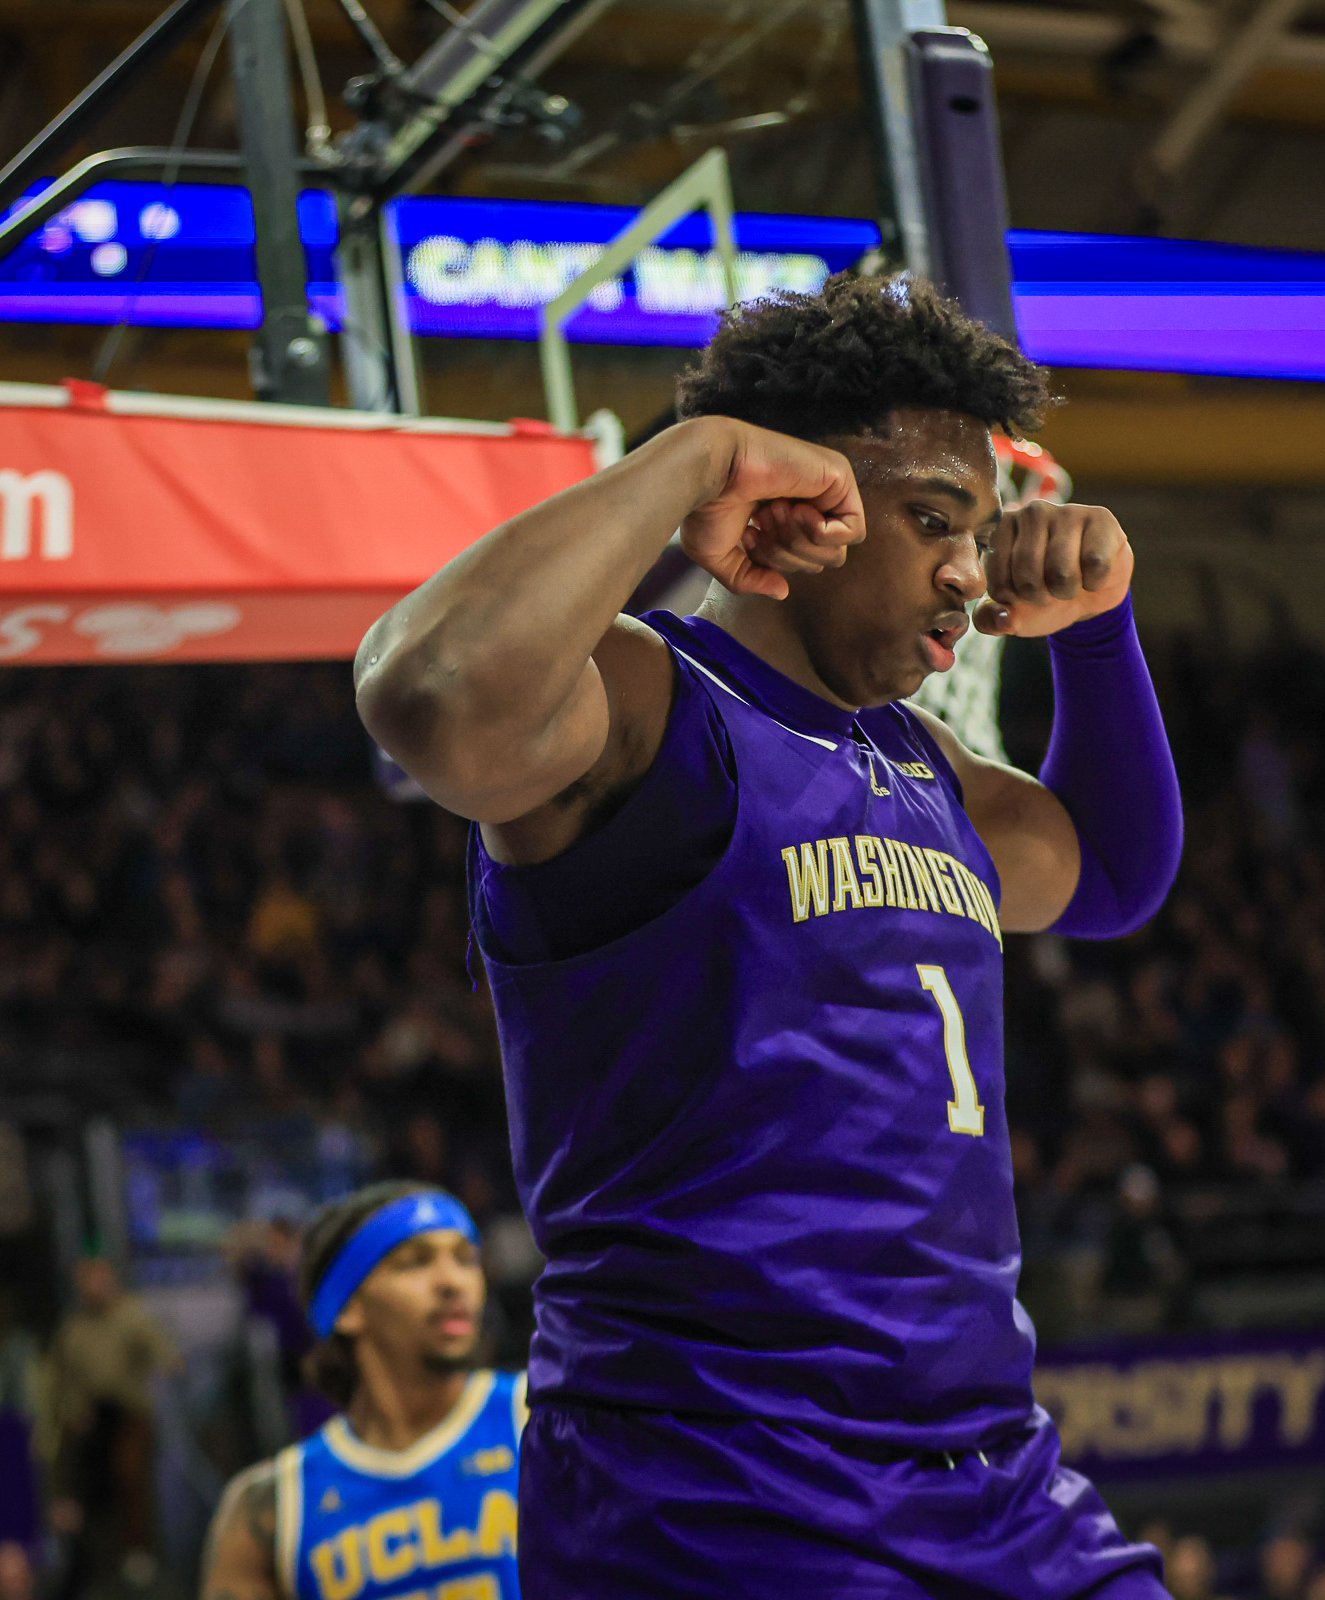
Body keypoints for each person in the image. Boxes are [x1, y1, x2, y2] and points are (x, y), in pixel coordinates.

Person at [356, 273, 1184, 1597]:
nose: (970, 574)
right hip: (718, 1487)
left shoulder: (928, 764)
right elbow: (435, 694)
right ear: (806, 500)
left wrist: (1097, 637)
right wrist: (699, 456)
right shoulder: (650, 701)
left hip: (992, 1474)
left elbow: (1118, 876)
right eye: (931, 521)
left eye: (980, 528)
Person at [201, 1182, 523, 1600]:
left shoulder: (540, 1418)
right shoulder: (276, 1506)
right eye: (414, 1263)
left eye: (466, 1259)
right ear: (348, 1308)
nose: (452, 1281)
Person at [42, 1256, 181, 1589]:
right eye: (88, 1281)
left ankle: (140, 1554)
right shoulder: (74, 1328)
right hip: (91, 1421)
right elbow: (63, 1378)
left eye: (100, 1279)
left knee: (131, 1478)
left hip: (129, 1412)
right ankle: (103, 1565)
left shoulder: (130, 1315)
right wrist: (74, 1412)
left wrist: (167, 1365)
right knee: (94, 1495)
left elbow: (161, 1351)